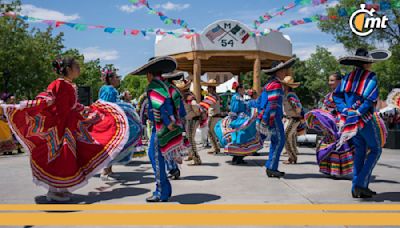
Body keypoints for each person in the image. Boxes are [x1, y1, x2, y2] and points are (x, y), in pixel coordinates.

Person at [1, 57, 131, 202]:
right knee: (60, 157)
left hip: (67, 126)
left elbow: (69, 106)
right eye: (77, 66)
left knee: (64, 158)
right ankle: (54, 191)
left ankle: (59, 189)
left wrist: (85, 110)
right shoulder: (60, 84)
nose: (79, 69)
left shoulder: (66, 85)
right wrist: (25, 105)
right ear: (68, 69)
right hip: (60, 127)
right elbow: (56, 104)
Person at [333, 48, 390, 198]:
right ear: (366, 63)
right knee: (376, 149)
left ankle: (356, 188)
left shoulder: (347, 77)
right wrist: (359, 111)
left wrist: (345, 109)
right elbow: (371, 98)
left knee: (360, 151)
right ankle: (360, 184)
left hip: (350, 121)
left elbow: (337, 96)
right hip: (363, 120)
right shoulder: (370, 76)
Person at [130, 56, 186, 202]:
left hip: (160, 128)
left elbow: (159, 106)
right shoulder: (167, 86)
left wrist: (166, 121)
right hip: (168, 127)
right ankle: (164, 190)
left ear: (149, 74)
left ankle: (161, 192)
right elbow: (178, 109)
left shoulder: (153, 87)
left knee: (156, 159)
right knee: (158, 158)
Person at [305, 72, 354, 177]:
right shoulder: (331, 94)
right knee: (329, 146)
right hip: (331, 124)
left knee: (338, 146)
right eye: (329, 80)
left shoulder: (344, 94)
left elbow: (346, 108)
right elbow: (325, 108)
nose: (329, 82)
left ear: (340, 81)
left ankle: (337, 171)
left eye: (332, 80)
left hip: (340, 123)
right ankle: (331, 170)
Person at [98, 67, 143, 180]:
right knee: (112, 145)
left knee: (113, 145)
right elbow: (110, 106)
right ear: (111, 79)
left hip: (108, 120)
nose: (118, 79)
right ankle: (105, 172)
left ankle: (109, 170)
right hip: (111, 121)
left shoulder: (106, 89)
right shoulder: (110, 90)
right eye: (117, 77)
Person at [259, 58, 296, 178]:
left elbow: (262, 102)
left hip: (271, 117)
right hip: (273, 118)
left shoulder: (270, 84)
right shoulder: (276, 85)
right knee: (279, 142)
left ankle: (271, 166)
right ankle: (272, 168)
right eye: (283, 70)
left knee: (276, 142)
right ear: (277, 71)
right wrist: (266, 119)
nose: (285, 72)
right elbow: (272, 105)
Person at [215, 83, 262, 165]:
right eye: (243, 89)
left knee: (242, 138)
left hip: (243, 119)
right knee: (241, 137)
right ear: (239, 89)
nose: (244, 91)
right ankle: (237, 158)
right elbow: (235, 109)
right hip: (239, 120)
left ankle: (238, 158)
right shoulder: (236, 97)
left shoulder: (240, 97)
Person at [163, 71, 189, 179]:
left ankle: (172, 169)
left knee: (168, 146)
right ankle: (174, 168)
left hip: (168, 122)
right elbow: (182, 111)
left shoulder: (165, 91)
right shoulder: (176, 91)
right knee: (174, 146)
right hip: (177, 121)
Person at [175, 78, 202, 166]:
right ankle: (191, 155)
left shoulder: (188, 97)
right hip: (191, 119)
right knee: (188, 137)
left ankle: (196, 159)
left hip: (192, 119)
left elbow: (195, 105)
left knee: (190, 139)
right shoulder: (187, 96)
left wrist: (196, 113)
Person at [281, 76, 303, 164]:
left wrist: (297, 114)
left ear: (287, 86)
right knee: (288, 137)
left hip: (294, 118)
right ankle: (292, 156)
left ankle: (292, 157)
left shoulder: (290, 95)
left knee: (286, 136)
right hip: (290, 118)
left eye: (284, 85)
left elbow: (298, 107)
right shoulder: (286, 94)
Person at [200, 79, 222, 155]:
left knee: (210, 132)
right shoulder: (216, 96)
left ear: (212, 88)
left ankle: (215, 148)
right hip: (216, 116)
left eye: (209, 87)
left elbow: (205, 105)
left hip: (213, 116)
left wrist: (200, 107)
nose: (207, 89)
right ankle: (216, 147)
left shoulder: (212, 97)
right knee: (212, 133)